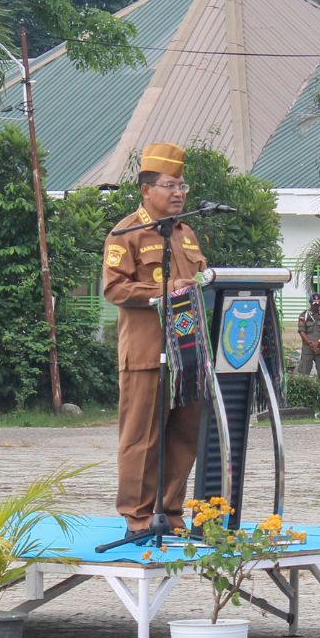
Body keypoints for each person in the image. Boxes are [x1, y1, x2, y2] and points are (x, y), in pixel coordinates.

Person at [102, 142, 207, 540]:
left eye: (183, 185)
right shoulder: (126, 233)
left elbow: (202, 280)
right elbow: (115, 289)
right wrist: (162, 290)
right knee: (142, 435)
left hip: (188, 353)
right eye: (170, 185)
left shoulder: (188, 235)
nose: (179, 193)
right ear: (147, 189)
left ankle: (171, 511)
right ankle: (137, 515)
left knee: (184, 433)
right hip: (147, 352)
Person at [296, 293, 320, 384]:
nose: (316, 305)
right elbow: (301, 331)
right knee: (303, 376)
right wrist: (310, 343)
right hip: (307, 350)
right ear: (310, 303)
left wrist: (318, 342)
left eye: (318, 303)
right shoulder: (303, 315)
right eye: (314, 303)